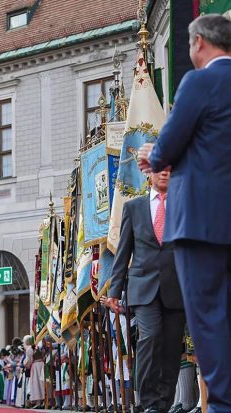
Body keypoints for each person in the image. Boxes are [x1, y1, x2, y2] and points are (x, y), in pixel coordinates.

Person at [137, 14, 231, 411]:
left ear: (197, 44)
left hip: (201, 223)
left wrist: (153, 157)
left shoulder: (200, 81)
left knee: (209, 318)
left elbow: (171, 140)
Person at [108, 168, 186, 413]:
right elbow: (123, 252)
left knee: (172, 347)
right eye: (159, 170)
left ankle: (163, 404)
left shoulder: (184, 205)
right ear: (149, 175)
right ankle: (148, 402)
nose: (164, 174)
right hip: (144, 287)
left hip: (177, 288)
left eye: (169, 170)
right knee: (150, 338)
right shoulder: (134, 207)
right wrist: (114, 290)